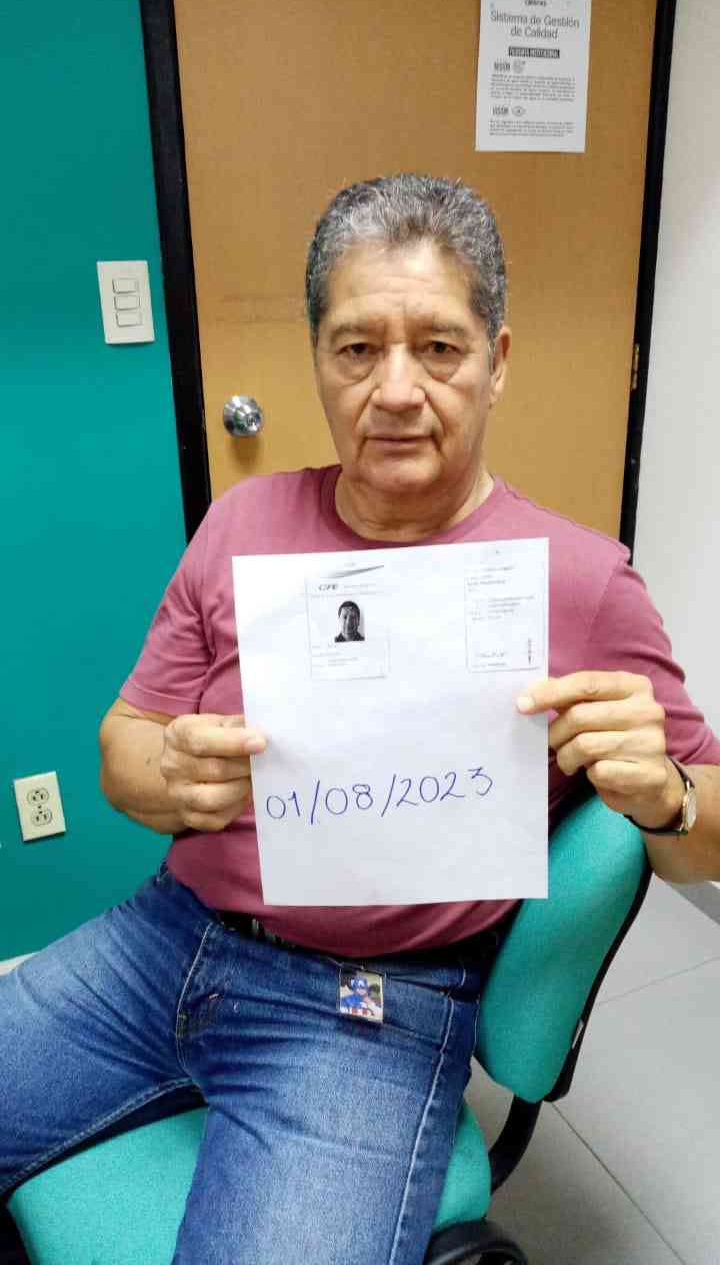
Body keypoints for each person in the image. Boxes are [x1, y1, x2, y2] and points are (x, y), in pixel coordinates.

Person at [2, 174, 720, 1265]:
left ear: (497, 360)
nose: (396, 390)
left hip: (368, 1006)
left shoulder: (581, 583)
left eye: (438, 348)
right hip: (166, 939)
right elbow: (122, 743)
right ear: (318, 361)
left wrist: (666, 794)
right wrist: (168, 770)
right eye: (356, 348)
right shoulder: (242, 522)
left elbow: (713, 823)